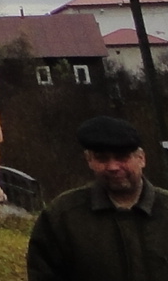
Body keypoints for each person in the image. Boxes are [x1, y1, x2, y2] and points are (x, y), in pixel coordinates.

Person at [28, 115, 168, 279]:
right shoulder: (62, 217)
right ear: (89, 160)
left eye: (122, 157)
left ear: (141, 158)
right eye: (102, 158)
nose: (113, 167)